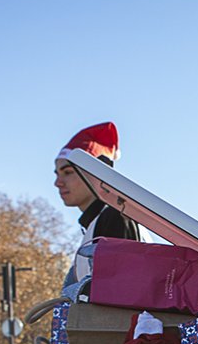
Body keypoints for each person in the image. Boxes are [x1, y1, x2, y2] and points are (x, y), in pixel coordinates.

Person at [54, 121, 142, 292]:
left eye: (68, 172)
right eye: (57, 174)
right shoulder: (98, 223)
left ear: (96, 172)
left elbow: (120, 296)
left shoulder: (115, 217)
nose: (57, 183)